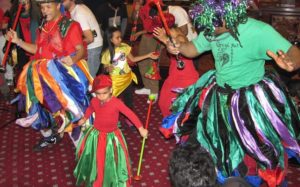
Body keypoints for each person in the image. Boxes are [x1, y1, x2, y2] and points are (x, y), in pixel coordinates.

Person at [163, 0, 300, 186]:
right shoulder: (212, 25)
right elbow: (192, 49)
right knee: (216, 144)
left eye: (215, 25)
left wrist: (290, 64)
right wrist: (177, 47)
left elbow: (294, 53)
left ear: (230, 15)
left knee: (253, 153)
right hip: (219, 96)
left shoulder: (259, 31)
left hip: (250, 102)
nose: (211, 30)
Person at [5, 0, 92, 151]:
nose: (44, 11)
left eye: (48, 7)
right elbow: (37, 50)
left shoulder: (69, 25)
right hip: (43, 76)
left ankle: (83, 150)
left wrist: (73, 59)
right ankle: (51, 136)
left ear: (58, 5)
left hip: (63, 76)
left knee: (72, 112)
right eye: (42, 7)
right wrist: (18, 41)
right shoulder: (43, 27)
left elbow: (80, 50)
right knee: (38, 108)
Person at [73, 74, 148, 187]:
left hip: (111, 137)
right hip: (96, 135)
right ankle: (96, 176)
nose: (101, 96)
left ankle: (112, 178)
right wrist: (84, 118)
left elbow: (130, 114)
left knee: (111, 159)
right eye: (98, 93)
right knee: (97, 158)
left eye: (105, 93)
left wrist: (140, 128)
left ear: (111, 90)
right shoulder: (94, 100)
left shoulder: (116, 103)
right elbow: (91, 108)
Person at [101, 26, 158, 111]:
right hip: (116, 81)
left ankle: (129, 116)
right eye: (117, 38)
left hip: (127, 78)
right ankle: (111, 115)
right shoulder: (106, 54)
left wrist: (148, 55)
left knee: (129, 100)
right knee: (111, 101)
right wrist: (108, 69)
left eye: (120, 37)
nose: (120, 39)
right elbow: (105, 68)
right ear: (110, 40)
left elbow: (133, 59)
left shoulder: (124, 47)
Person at [153, 27, 199, 118]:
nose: (165, 31)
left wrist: (165, 39)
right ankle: (171, 126)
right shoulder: (170, 38)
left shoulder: (181, 38)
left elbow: (177, 45)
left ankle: (180, 128)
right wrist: (165, 40)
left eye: (167, 29)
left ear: (175, 29)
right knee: (163, 103)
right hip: (173, 77)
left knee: (182, 108)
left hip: (186, 79)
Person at [62, 0, 103, 78]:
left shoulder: (79, 13)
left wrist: (73, 46)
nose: (61, 2)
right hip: (92, 46)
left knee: (89, 77)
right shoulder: (77, 9)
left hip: (93, 47)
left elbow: (90, 38)